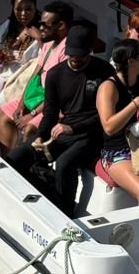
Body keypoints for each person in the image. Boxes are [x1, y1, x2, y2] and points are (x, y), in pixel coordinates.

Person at [26, 24, 111, 216]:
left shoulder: (104, 72)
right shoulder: (56, 74)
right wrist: (41, 136)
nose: (75, 59)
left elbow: (107, 115)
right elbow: (50, 112)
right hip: (64, 132)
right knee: (22, 155)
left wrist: (72, 128)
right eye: (71, 54)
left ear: (90, 51)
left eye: (80, 55)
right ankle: (34, 202)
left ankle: (65, 214)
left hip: (92, 135)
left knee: (65, 163)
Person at [0, 0, 73, 155]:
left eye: (46, 25)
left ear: (61, 26)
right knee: (2, 114)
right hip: (37, 98)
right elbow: (35, 75)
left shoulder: (68, 50)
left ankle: (24, 168)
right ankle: (9, 161)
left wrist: (32, 115)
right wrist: (21, 104)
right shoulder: (48, 44)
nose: (41, 28)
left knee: (28, 128)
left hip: (54, 107)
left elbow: (59, 95)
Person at [97, 40, 139, 206]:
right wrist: (136, 103)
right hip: (118, 153)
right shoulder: (109, 87)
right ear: (131, 61)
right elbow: (109, 127)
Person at [0, 0, 39, 65]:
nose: (23, 14)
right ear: (13, 10)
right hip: (7, 73)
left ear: (35, 8)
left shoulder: (42, 30)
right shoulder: (7, 26)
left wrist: (39, 38)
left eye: (28, 9)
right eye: (19, 10)